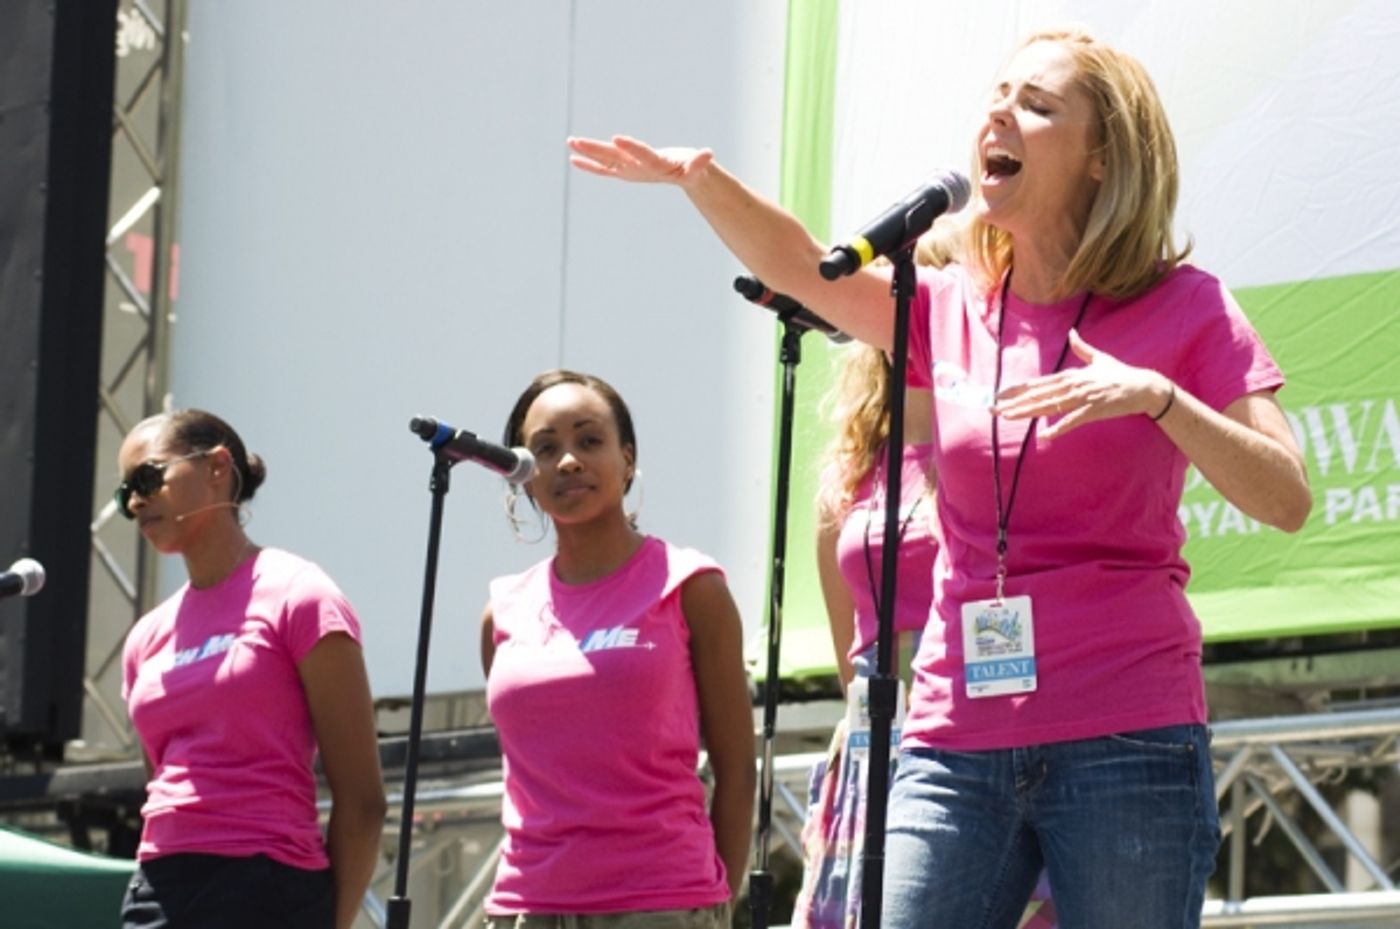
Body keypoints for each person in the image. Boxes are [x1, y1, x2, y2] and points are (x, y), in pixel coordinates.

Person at [567, 24, 1311, 929]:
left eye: (1037, 104)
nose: (1001, 111)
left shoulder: (1186, 306)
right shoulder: (945, 303)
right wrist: (700, 180)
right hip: (954, 738)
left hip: (1126, 734)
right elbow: (801, 266)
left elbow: (1286, 496)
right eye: (997, 95)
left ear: (1101, 158)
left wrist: (1160, 399)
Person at [480, 369, 756, 928]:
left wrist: (711, 899)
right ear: (522, 476)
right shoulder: (503, 610)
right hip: (526, 905)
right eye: (545, 448)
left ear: (628, 459)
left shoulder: (691, 586)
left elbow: (737, 769)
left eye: (589, 440)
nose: (569, 461)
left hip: (660, 901)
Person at [116, 409, 386, 929]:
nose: (134, 501)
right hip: (158, 887)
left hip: (268, 883)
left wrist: (331, 921)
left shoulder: (299, 595)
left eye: (148, 478)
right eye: (124, 491)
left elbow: (363, 801)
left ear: (218, 466)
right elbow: (163, 787)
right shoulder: (146, 638)